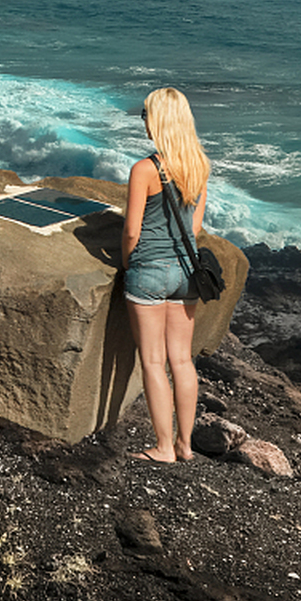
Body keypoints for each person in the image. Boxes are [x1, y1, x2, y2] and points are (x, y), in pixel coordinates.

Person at [120, 86, 211, 463]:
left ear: (156, 121)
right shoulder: (199, 165)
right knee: (182, 360)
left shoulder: (145, 169)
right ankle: (186, 445)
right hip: (186, 273)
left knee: (153, 361)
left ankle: (162, 447)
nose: (142, 121)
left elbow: (131, 231)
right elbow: (197, 227)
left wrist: (128, 263)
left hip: (150, 273)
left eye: (145, 114)